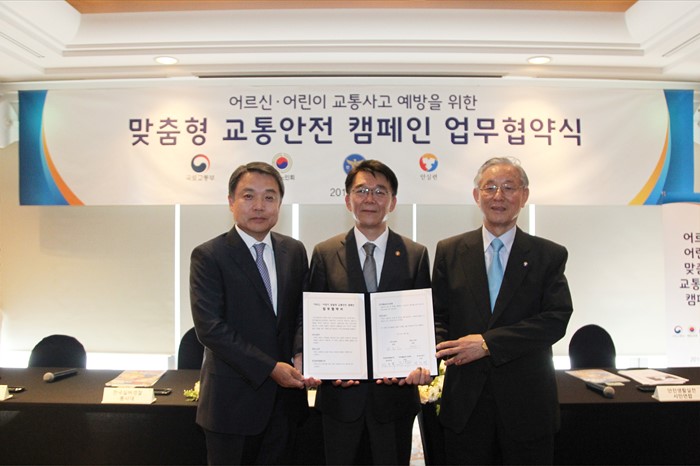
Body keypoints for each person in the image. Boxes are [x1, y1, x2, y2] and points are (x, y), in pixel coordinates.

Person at [433, 156, 574, 465]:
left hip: (527, 406)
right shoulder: (450, 251)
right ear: (476, 195)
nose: (499, 196)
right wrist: (436, 350)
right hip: (466, 406)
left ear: (524, 195)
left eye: (509, 187)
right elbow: (437, 317)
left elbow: (555, 320)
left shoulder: (548, 255)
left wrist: (487, 344)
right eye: (490, 187)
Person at [307, 159, 432, 465]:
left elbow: (424, 321)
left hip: (394, 399)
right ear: (347, 199)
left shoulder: (415, 254)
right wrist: (321, 366)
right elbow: (310, 321)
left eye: (379, 191)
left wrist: (421, 364)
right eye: (361, 190)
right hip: (340, 398)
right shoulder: (325, 253)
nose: (370, 199)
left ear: (393, 202)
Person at [189, 161, 311, 465]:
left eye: (269, 197)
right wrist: (270, 368)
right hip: (231, 406)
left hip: (285, 407)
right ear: (231, 201)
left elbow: (302, 312)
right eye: (248, 196)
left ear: (280, 204)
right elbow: (210, 328)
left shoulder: (294, 251)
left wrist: (300, 352)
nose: (259, 206)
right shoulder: (209, 255)